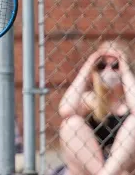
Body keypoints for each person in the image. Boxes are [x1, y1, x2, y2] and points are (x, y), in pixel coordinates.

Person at [56, 41, 135, 175]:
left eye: (115, 65)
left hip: (123, 170)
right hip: (90, 169)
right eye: (102, 65)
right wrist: (88, 67)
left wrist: (126, 71)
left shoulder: (130, 103)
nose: (108, 70)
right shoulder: (90, 99)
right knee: (71, 123)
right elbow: (65, 109)